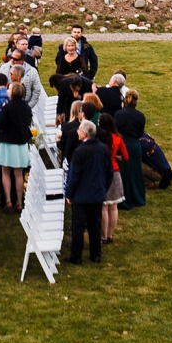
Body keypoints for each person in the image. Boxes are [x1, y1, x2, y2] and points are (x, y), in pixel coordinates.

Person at [64, 119, 109, 264]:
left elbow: (74, 175)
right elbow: (109, 172)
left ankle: (76, 256)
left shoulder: (80, 152)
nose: (77, 132)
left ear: (84, 133)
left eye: (78, 130)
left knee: (78, 226)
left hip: (81, 196)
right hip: (97, 194)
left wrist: (69, 194)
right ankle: (96, 255)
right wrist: (104, 188)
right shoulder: (103, 148)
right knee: (95, 225)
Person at [0, 81, 34, 212]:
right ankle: (19, 202)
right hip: (21, 142)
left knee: (5, 172)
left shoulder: (7, 107)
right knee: (19, 174)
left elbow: (1, 125)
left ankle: (8, 201)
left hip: (7, 142)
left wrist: (2, 111)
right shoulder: (27, 107)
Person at [114, 87, 147, 210]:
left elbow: (115, 130)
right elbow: (140, 133)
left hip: (122, 145)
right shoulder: (140, 116)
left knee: (123, 173)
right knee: (135, 172)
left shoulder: (119, 114)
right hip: (134, 146)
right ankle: (137, 197)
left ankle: (123, 198)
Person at [98, 112, 127, 241]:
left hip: (103, 172)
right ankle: (110, 235)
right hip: (115, 172)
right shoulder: (118, 138)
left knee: (104, 206)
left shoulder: (100, 138)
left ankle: (103, 235)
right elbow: (126, 157)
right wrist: (115, 157)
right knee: (113, 206)